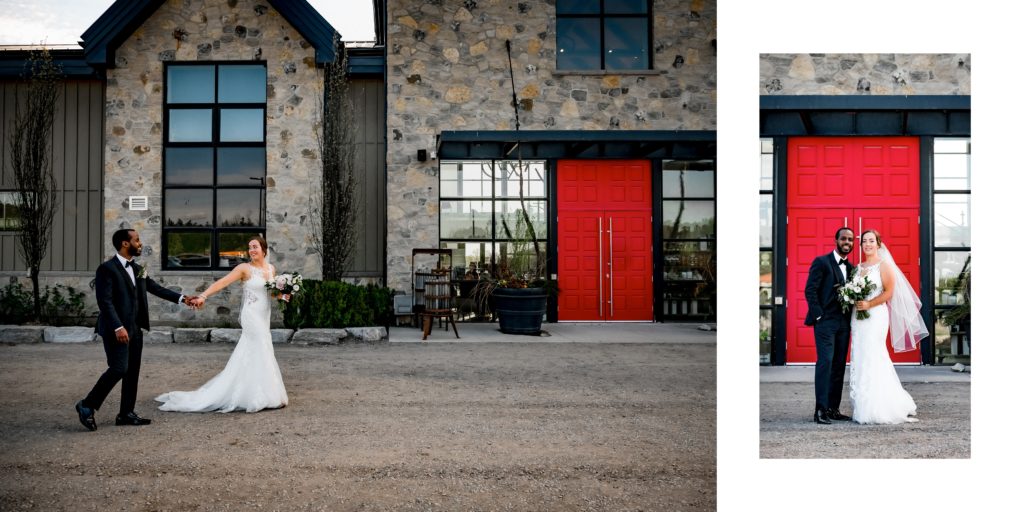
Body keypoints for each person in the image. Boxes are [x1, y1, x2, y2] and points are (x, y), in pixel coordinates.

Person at [75, 229, 196, 431]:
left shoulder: (138, 268)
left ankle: (126, 414)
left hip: (135, 328)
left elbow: (155, 288)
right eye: (137, 240)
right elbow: (104, 302)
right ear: (125, 243)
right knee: (118, 368)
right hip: (116, 329)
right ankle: (87, 405)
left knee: (132, 371)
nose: (140, 244)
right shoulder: (107, 269)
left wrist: (183, 299)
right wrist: (117, 326)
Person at [155, 236, 288, 413]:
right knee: (260, 345)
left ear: (264, 249)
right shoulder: (244, 269)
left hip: (264, 315)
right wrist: (203, 296)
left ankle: (263, 392)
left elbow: (271, 294)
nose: (252, 250)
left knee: (262, 348)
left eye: (255, 247)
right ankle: (260, 396)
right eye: (250, 248)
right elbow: (222, 282)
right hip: (251, 315)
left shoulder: (271, 269)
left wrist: (284, 295)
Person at [848, 230, 928, 424]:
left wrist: (869, 304)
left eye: (871, 241)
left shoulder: (883, 266)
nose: (867, 244)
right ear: (861, 246)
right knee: (860, 356)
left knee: (874, 355)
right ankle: (863, 405)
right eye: (864, 241)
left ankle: (880, 406)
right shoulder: (857, 268)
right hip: (858, 318)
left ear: (878, 244)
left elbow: (889, 292)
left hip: (875, 316)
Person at [804, 227, 855, 425]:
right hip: (825, 322)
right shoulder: (822, 262)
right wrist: (818, 316)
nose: (847, 242)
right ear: (836, 240)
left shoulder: (851, 268)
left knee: (839, 366)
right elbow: (810, 290)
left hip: (844, 323)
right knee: (825, 363)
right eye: (844, 238)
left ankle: (833, 408)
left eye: (850, 239)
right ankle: (820, 410)